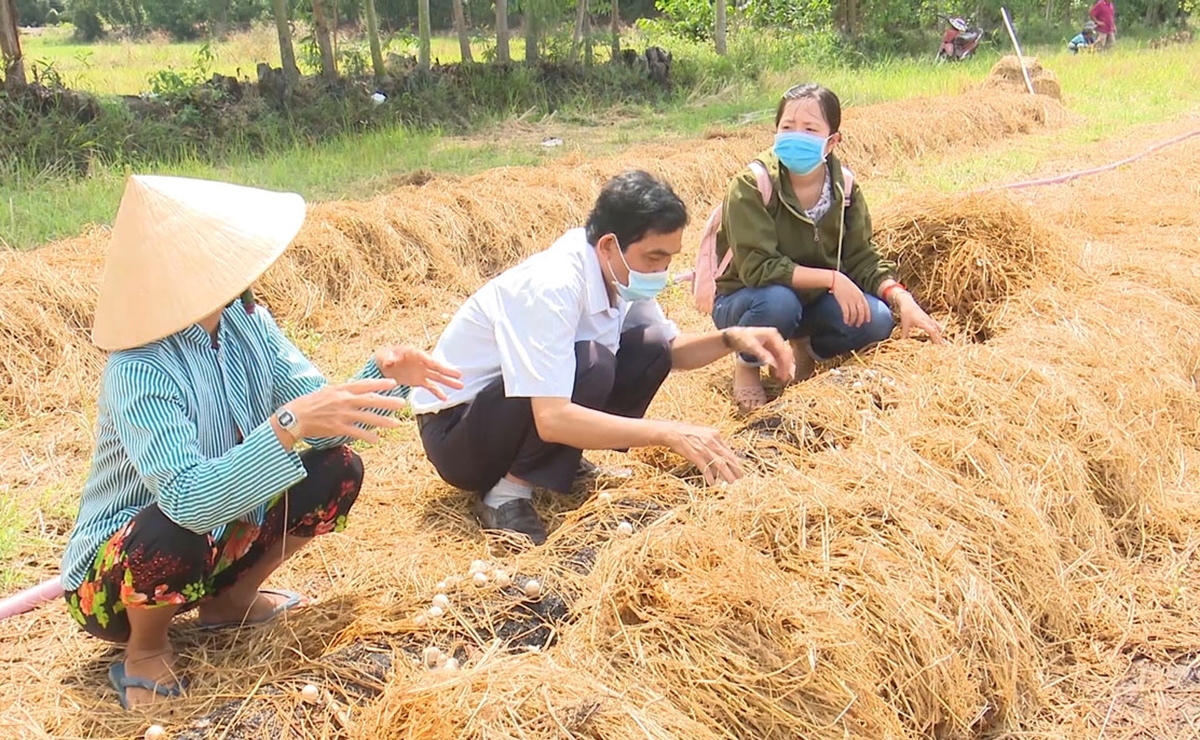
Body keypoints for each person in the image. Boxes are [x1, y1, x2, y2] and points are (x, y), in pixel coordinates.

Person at [60, 175, 462, 710]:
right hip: (123, 577)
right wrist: (288, 425)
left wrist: (387, 375)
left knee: (337, 469)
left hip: (217, 538)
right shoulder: (139, 369)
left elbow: (322, 416)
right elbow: (185, 497)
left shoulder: (249, 327)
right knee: (172, 525)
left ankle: (231, 599)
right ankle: (145, 650)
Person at [411, 171, 794, 545]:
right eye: (653, 258)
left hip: (510, 412)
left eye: (668, 259)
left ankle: (558, 462)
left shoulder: (618, 273)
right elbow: (552, 417)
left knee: (649, 344)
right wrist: (669, 433)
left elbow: (669, 351)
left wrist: (731, 338)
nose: (661, 273)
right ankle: (507, 493)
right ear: (610, 245)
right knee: (593, 363)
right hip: (458, 435)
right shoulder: (552, 285)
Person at [710, 83, 945, 413]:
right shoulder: (752, 185)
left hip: (809, 300)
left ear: (832, 141)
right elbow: (757, 268)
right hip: (746, 300)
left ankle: (805, 346)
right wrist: (832, 280)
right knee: (779, 302)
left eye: (809, 129)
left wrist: (900, 297)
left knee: (876, 319)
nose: (796, 137)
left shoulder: (845, 188)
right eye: (787, 127)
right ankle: (747, 363)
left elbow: (861, 256)